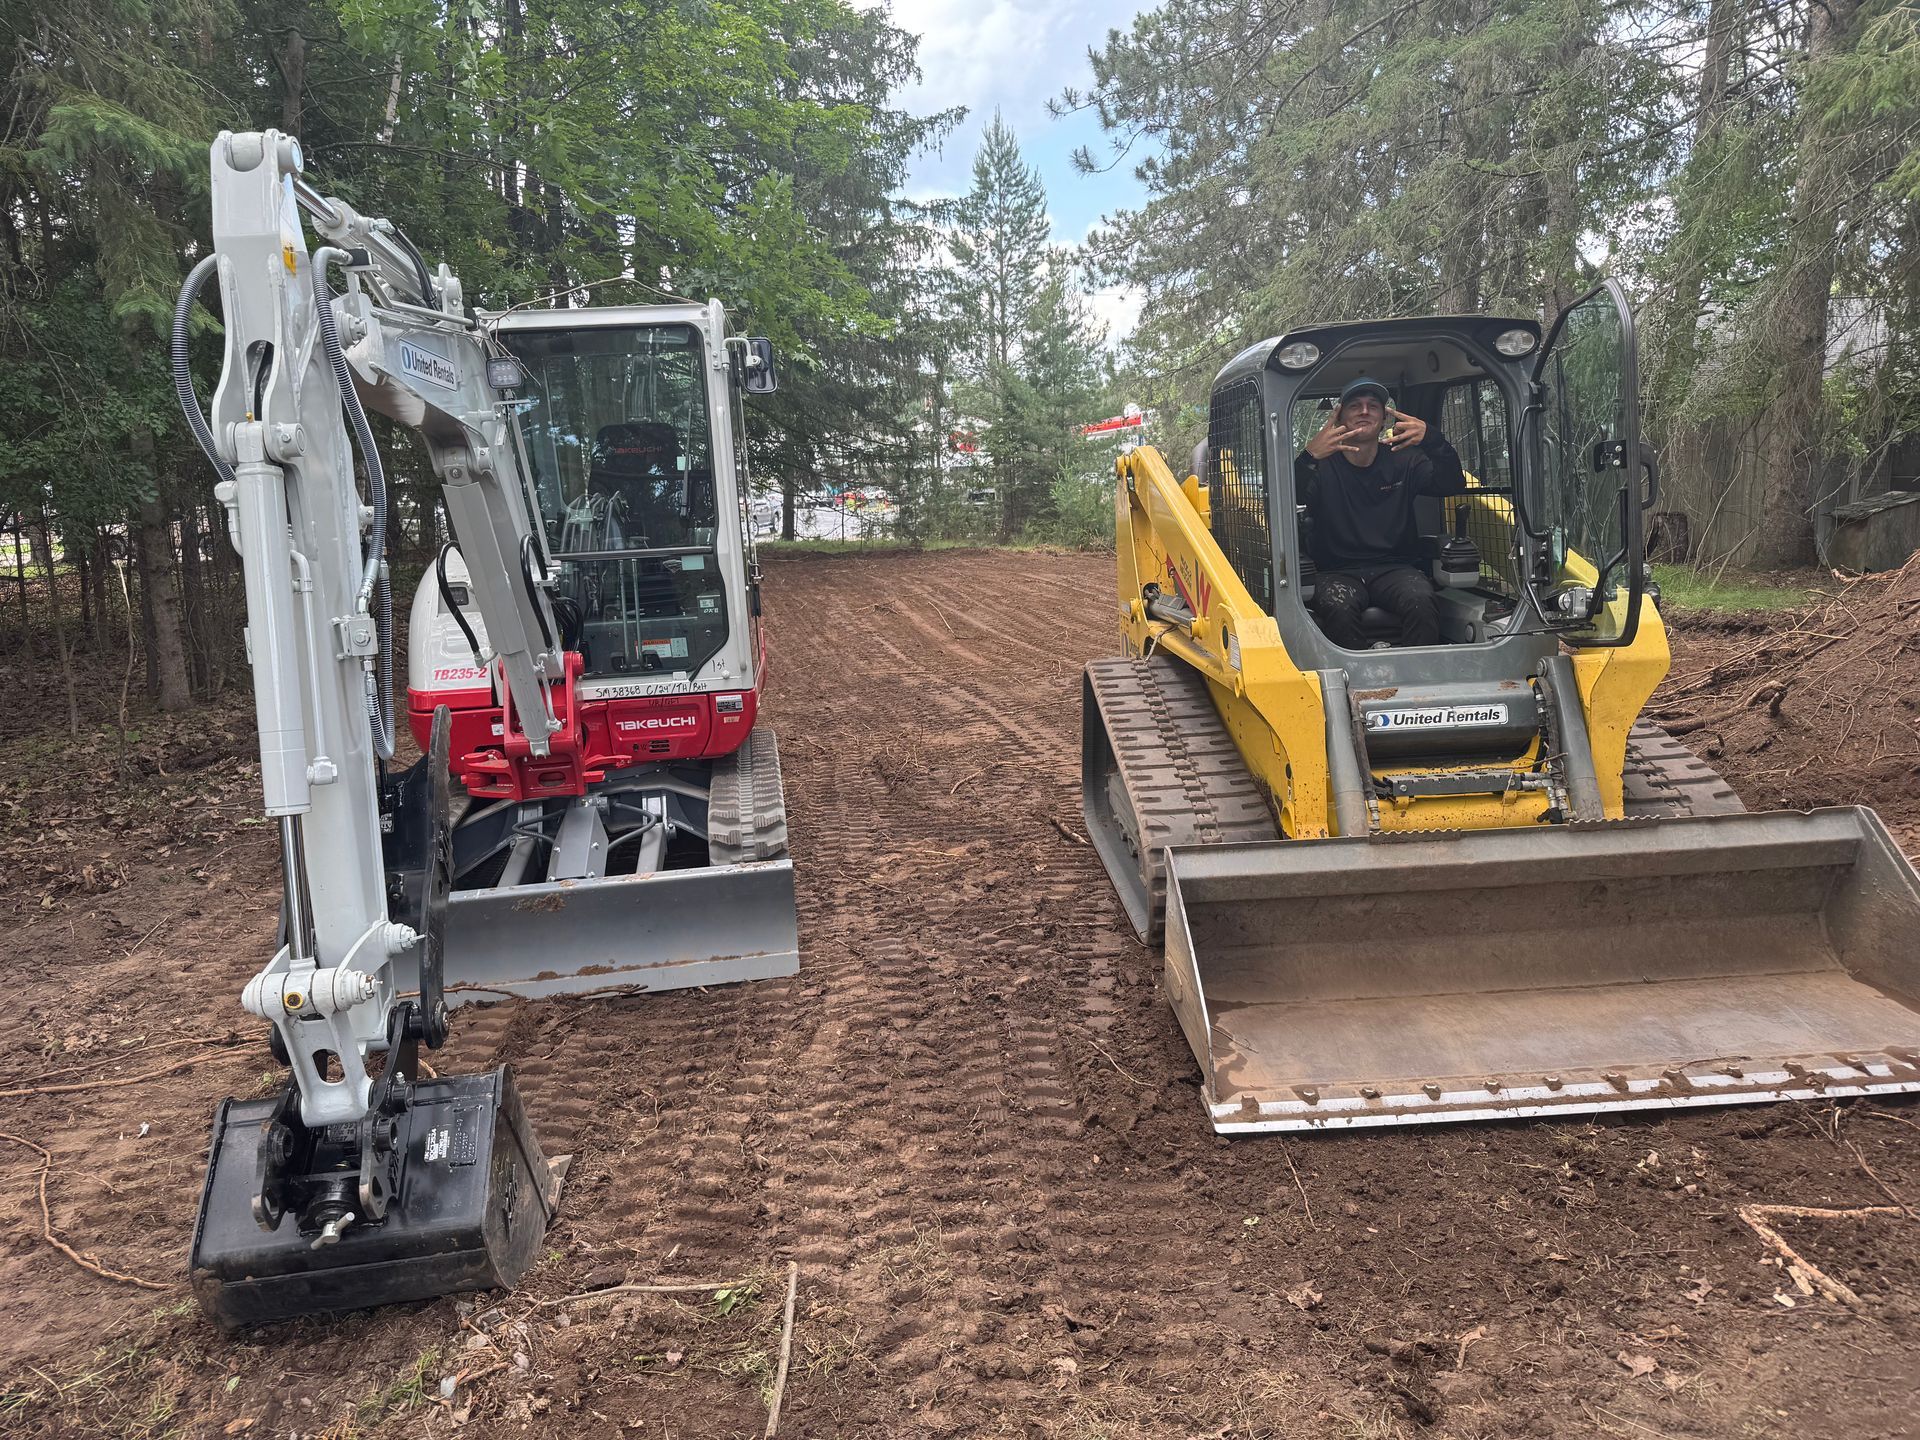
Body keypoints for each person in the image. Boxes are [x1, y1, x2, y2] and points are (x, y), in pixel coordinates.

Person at [1295, 377, 1467, 648]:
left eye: (1373, 406)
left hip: (1395, 568)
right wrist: (1308, 457)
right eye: (1355, 406)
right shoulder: (1321, 467)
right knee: (1338, 607)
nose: (1364, 411)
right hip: (1335, 571)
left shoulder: (1404, 458)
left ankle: (1418, 679)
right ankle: (1358, 682)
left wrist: (1434, 439)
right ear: (1340, 417)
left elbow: (1451, 483)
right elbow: (1289, 498)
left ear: (1383, 419)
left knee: (1421, 599)